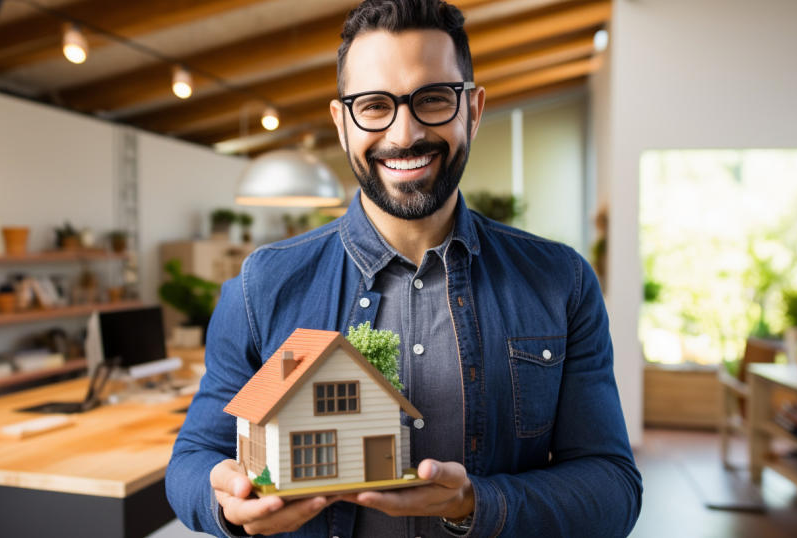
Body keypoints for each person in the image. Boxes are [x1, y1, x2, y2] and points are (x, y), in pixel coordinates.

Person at [166, 0, 643, 536]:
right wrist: (226, 502)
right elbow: (192, 459)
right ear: (342, 121)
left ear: (474, 110)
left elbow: (613, 488)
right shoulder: (262, 286)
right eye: (373, 106)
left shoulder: (561, 281)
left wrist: (474, 503)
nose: (405, 133)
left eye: (433, 99)